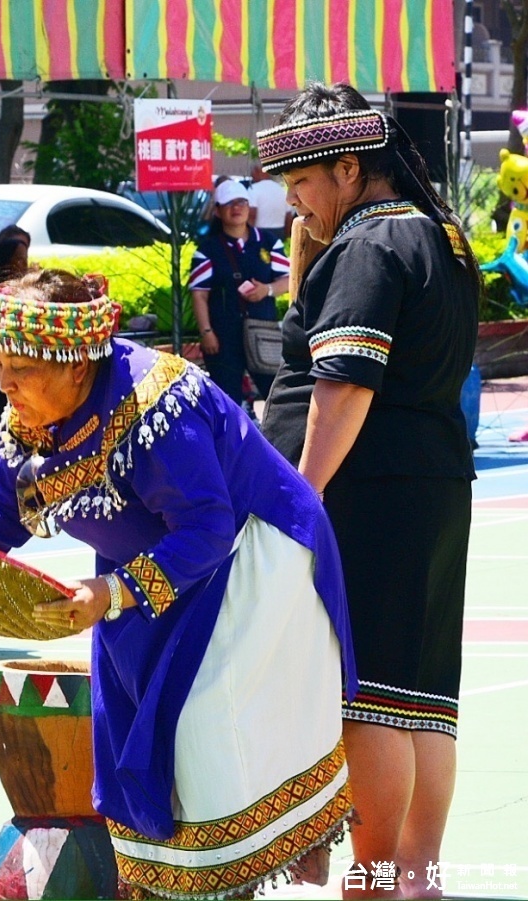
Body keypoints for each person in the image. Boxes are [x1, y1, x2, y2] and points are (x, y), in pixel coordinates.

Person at [0, 269, 356, 900]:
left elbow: (206, 527)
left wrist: (112, 594)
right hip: (143, 581)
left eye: (20, 368)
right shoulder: (31, 417)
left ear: (76, 362)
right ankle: (174, 883)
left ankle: (257, 859)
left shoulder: (155, 404)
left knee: (205, 743)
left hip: (250, 560)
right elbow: (0, 510)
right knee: (139, 752)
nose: (3, 385)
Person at [256, 82, 481, 899]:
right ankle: (413, 877)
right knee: (424, 697)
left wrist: (300, 496)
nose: (297, 204)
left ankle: (376, 878)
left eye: (304, 184)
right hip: (435, 482)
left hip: (373, 488)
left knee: (375, 696)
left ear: (350, 168)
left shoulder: (367, 249)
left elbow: (343, 387)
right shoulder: (441, 239)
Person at [189, 178, 290, 408]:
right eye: (230, 203)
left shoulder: (268, 242)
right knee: (227, 399)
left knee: (275, 393)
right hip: (223, 334)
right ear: (218, 211)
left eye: (242, 202)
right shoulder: (207, 249)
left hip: (263, 329)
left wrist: (268, 290)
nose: (237, 208)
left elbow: (288, 280)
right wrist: (206, 332)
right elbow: (200, 294)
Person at [248, 162, 295, 238]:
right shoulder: (281, 190)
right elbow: (288, 216)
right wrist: (286, 235)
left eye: (252, 172)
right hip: (279, 232)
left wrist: (250, 235)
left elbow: (252, 215)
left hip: (260, 233)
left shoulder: (253, 189)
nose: (252, 176)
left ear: (257, 171)